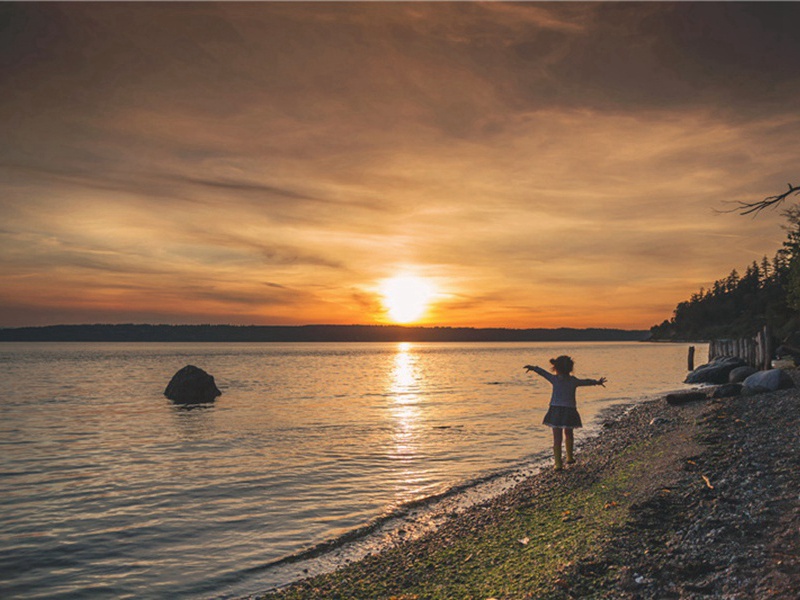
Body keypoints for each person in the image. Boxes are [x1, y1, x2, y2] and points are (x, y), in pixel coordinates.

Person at [524, 355, 607, 471]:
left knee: (557, 438)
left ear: (555, 368)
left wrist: (533, 368)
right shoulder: (573, 381)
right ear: (570, 368)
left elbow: (543, 373)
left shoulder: (555, 379)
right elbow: (586, 382)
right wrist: (597, 382)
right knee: (569, 433)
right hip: (569, 410)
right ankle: (569, 457)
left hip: (556, 410)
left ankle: (558, 463)